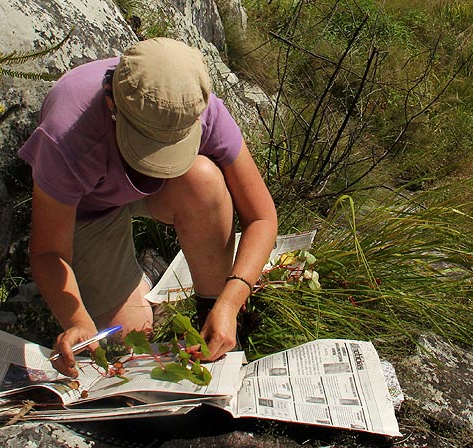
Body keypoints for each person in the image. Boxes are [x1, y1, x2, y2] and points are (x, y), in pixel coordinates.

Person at [18, 37, 278, 376]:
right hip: (88, 211)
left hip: (159, 194)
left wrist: (230, 301)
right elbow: (49, 252)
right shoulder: (66, 136)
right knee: (127, 339)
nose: (155, 164)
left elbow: (262, 215)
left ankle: (211, 315)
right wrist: (78, 320)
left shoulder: (196, 107)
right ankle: (146, 275)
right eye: (145, 147)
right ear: (111, 103)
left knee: (204, 180)